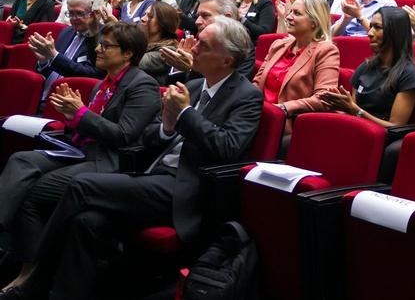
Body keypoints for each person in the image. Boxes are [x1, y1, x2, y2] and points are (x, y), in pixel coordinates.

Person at [8, 17, 262, 300]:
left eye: (203, 45)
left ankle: (35, 279)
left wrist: (186, 113)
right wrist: (167, 126)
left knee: (81, 185)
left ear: (227, 60)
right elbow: (149, 138)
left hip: (186, 188)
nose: (193, 48)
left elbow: (227, 147)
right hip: (153, 174)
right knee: (86, 222)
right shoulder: (193, 86)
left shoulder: (247, 96)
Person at [0, 23, 158, 295]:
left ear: (128, 53)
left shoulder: (143, 85)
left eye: (106, 46)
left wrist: (81, 114)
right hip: (78, 150)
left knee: (35, 191)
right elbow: (87, 124)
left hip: (107, 160)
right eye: (100, 44)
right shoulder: (103, 84)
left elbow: (123, 136)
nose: (98, 49)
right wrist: (73, 117)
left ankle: (31, 270)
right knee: (21, 160)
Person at [321, 7, 415, 129]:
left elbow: (395, 126)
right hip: (356, 129)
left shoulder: (409, 74)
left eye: (377, 27)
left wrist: (356, 111)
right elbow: (352, 111)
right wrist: (340, 106)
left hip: (382, 136)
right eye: (371, 26)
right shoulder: (365, 67)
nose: (369, 33)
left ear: (395, 32)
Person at [253, 0, 339, 139]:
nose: (288, 17)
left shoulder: (326, 51)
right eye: (290, 12)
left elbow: (324, 98)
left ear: (314, 22)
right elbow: (257, 82)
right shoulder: (278, 45)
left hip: (289, 125)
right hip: (257, 116)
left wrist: (283, 108)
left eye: (297, 13)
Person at [28, 0, 104, 100]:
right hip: (42, 96)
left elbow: (92, 75)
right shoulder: (66, 32)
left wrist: (54, 55)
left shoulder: (104, 38)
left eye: (79, 13)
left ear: (95, 13)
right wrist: (44, 60)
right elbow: (52, 70)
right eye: (70, 13)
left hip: (71, 100)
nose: (74, 19)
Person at [137, 3, 181, 84]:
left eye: (150, 16)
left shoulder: (168, 51)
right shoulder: (142, 42)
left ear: (163, 23)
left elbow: (130, 61)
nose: (143, 19)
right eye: (144, 14)